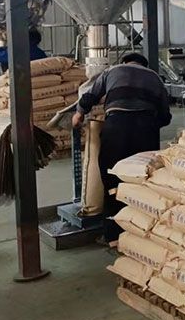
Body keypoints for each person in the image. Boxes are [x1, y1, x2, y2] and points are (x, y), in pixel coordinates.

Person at [73, 52, 171, 243]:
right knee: (143, 179)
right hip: (146, 130)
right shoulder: (155, 78)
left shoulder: (112, 71)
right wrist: (148, 124)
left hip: (116, 127)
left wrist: (79, 114)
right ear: (144, 65)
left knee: (112, 178)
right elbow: (165, 116)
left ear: (125, 62)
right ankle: (142, 231)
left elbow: (90, 95)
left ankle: (112, 235)